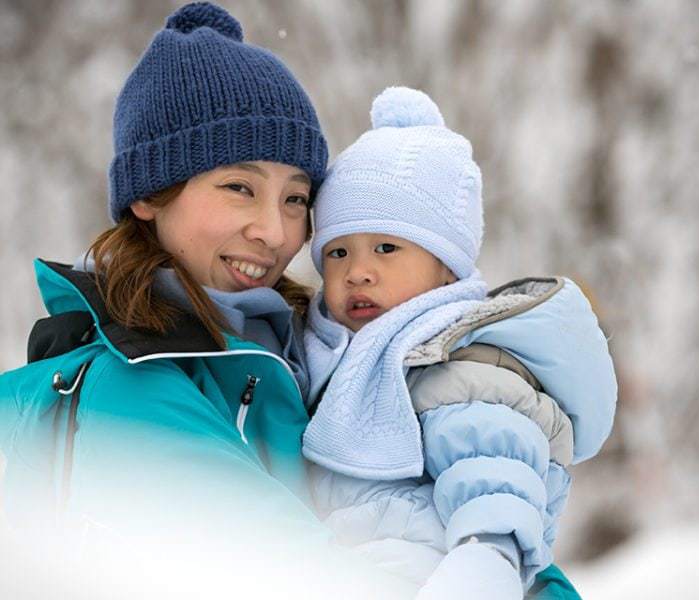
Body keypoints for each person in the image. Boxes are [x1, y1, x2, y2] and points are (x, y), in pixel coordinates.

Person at [0, 4, 414, 598]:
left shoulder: (315, 351)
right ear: (151, 194)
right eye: (240, 188)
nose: (274, 232)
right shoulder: (126, 391)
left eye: (296, 199)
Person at [302, 87, 618, 599]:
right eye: (337, 252)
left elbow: (496, 484)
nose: (358, 271)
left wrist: (483, 561)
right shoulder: (335, 362)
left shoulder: (460, 367)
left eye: (387, 248)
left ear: (445, 268)